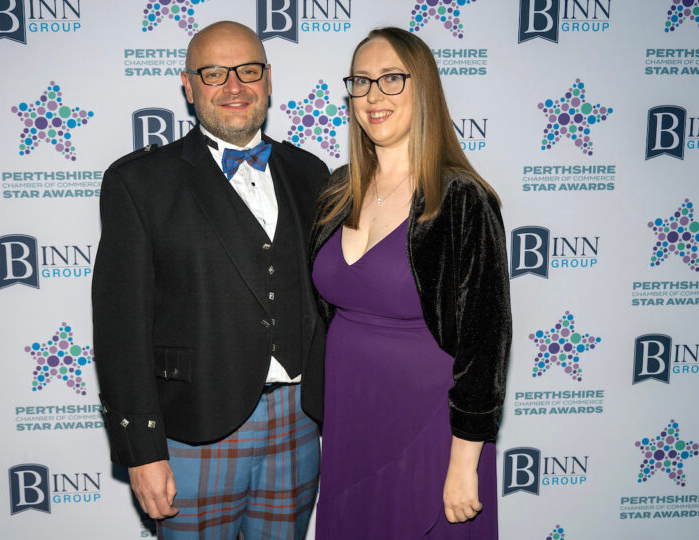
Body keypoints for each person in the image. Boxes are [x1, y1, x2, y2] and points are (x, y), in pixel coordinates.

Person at [92, 21, 328, 540]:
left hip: (299, 424)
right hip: (193, 431)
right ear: (188, 85)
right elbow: (120, 330)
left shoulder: (311, 173)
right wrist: (142, 452)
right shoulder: (139, 182)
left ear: (268, 79)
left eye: (247, 70)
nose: (234, 86)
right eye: (214, 73)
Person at [308, 27, 511, 539]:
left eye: (392, 79)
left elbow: (485, 343)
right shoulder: (336, 191)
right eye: (361, 81)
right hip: (351, 422)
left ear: (423, 88)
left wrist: (464, 463)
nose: (374, 95)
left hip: (430, 431)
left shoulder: (462, 200)